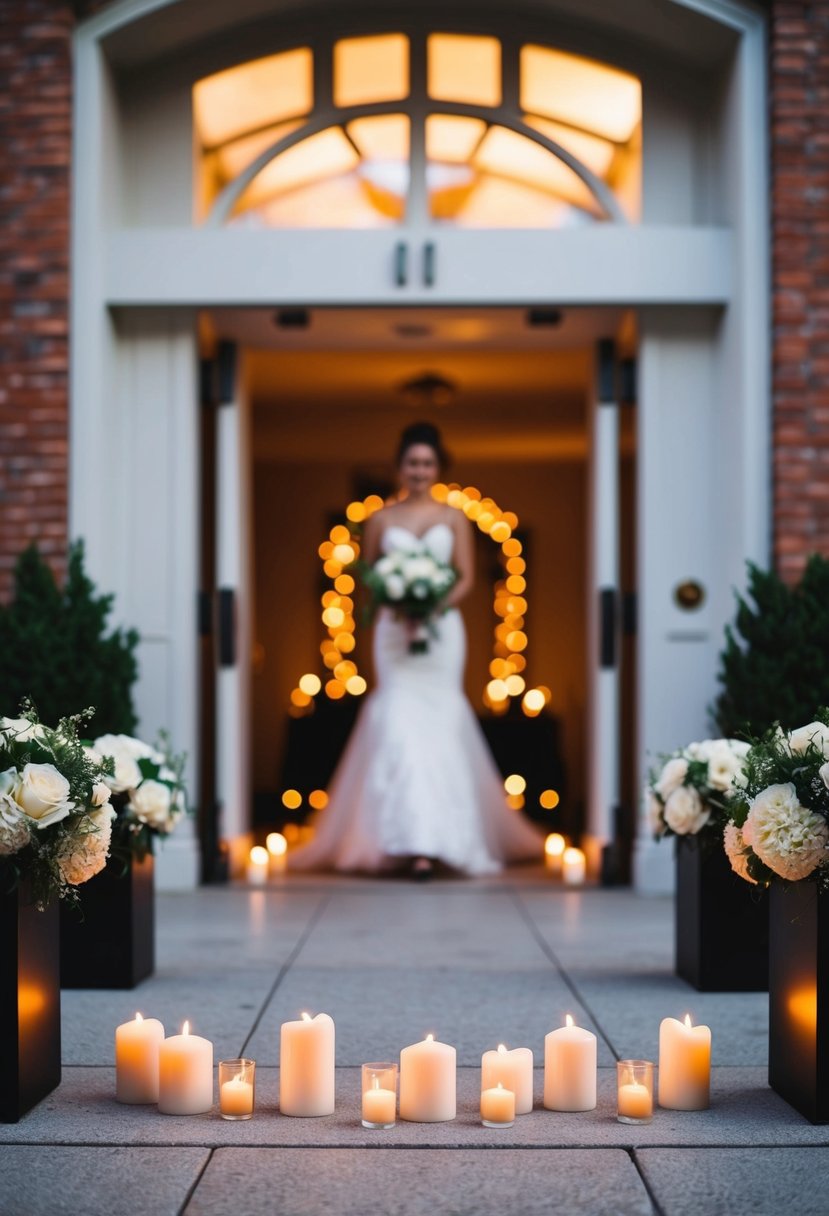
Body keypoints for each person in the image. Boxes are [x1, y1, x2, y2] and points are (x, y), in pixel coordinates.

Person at [289, 422, 541, 879]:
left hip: (441, 634)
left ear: (438, 468)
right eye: (412, 463)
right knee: (398, 719)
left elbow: (464, 575)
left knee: (440, 722)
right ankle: (398, 840)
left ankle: (438, 840)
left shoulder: (454, 518)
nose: (420, 470)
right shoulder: (381, 520)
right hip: (393, 633)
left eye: (427, 463)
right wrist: (399, 604)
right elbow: (369, 578)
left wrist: (432, 604)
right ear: (399, 468)